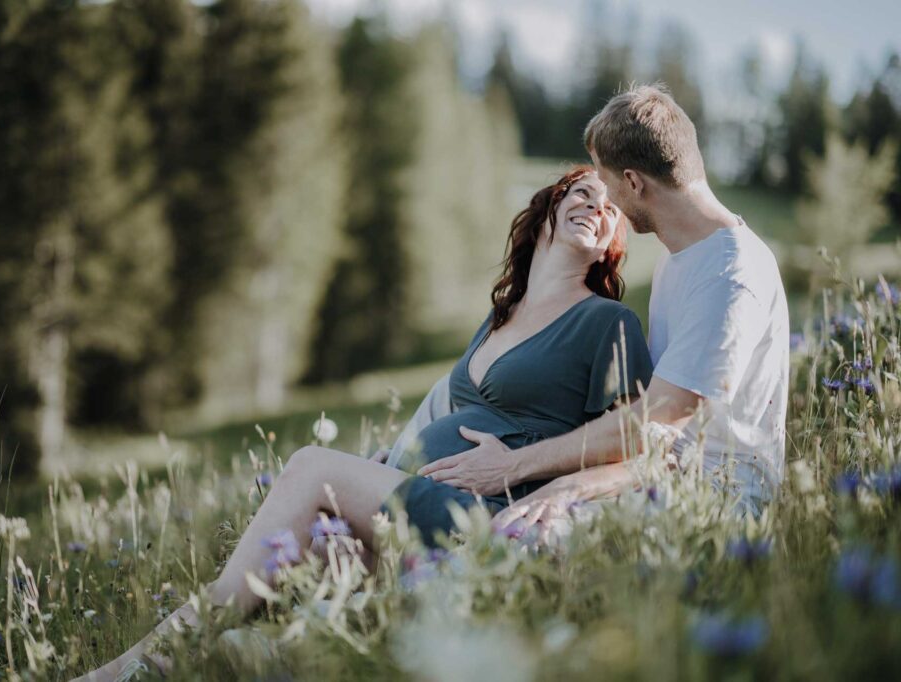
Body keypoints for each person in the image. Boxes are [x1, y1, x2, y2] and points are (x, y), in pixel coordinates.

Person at [75, 166, 653, 680]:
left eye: (609, 207)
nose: (595, 206)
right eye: (582, 193)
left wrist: (525, 474)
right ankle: (169, 664)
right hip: (430, 500)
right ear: (548, 209)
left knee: (311, 467)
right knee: (307, 558)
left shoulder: (607, 323)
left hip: (491, 515)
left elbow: (638, 443)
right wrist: (393, 464)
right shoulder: (500, 315)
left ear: (611, 245)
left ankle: (132, 667)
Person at [420, 84, 789, 535]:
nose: (605, 200)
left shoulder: (730, 272)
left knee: (512, 538)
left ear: (633, 182)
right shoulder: (680, 259)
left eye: (606, 182)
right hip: (649, 478)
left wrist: (523, 469)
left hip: (713, 498)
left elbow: (657, 420)